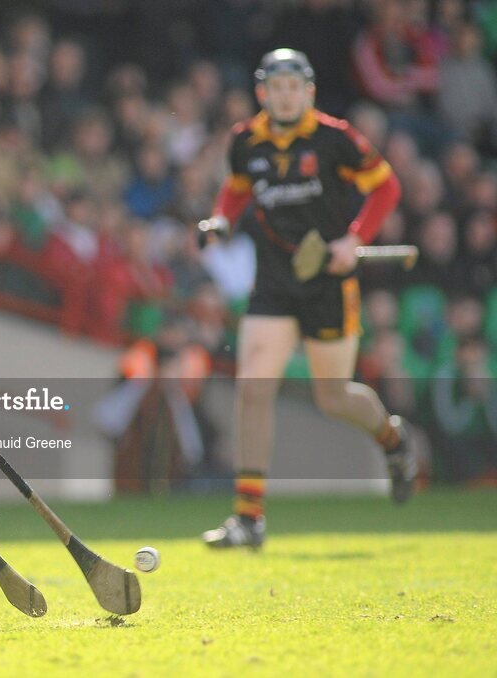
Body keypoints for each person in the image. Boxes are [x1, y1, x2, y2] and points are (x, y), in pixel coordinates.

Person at [197, 49, 415, 550]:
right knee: (254, 386)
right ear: (262, 93)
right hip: (275, 281)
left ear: (309, 92)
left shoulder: (336, 138)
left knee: (333, 396)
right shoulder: (244, 141)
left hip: (328, 284)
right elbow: (235, 191)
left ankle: (393, 439)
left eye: (294, 87)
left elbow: (386, 188)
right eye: (276, 87)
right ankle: (248, 517)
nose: (286, 95)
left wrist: (354, 239)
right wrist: (222, 220)